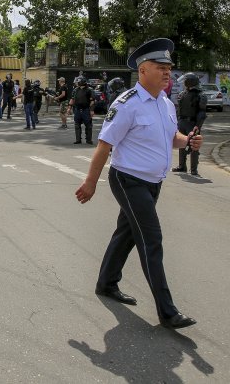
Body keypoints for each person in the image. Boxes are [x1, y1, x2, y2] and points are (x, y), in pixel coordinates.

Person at [75, 38, 202, 330]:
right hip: (128, 179)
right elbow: (105, 144)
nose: (168, 72)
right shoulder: (127, 104)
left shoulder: (167, 104)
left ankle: (106, 282)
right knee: (151, 239)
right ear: (143, 70)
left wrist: (189, 142)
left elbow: (172, 138)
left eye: (169, 67)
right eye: (161, 67)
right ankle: (167, 312)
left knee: (128, 233)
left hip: (153, 182)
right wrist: (90, 183)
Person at [172, 72, 207, 176]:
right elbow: (179, 109)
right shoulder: (184, 93)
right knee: (182, 145)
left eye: (185, 81)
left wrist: (198, 125)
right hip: (182, 122)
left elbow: (202, 112)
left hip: (192, 123)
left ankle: (193, 169)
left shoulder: (200, 95)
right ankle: (182, 166)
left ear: (190, 81)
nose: (184, 83)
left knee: (193, 145)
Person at [70, 76, 95, 144]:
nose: (77, 83)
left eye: (78, 82)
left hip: (86, 109)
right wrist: (69, 108)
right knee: (77, 125)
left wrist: (91, 110)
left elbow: (92, 101)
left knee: (88, 125)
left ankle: (88, 140)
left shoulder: (89, 90)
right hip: (77, 109)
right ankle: (78, 140)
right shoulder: (75, 90)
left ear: (82, 82)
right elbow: (72, 99)